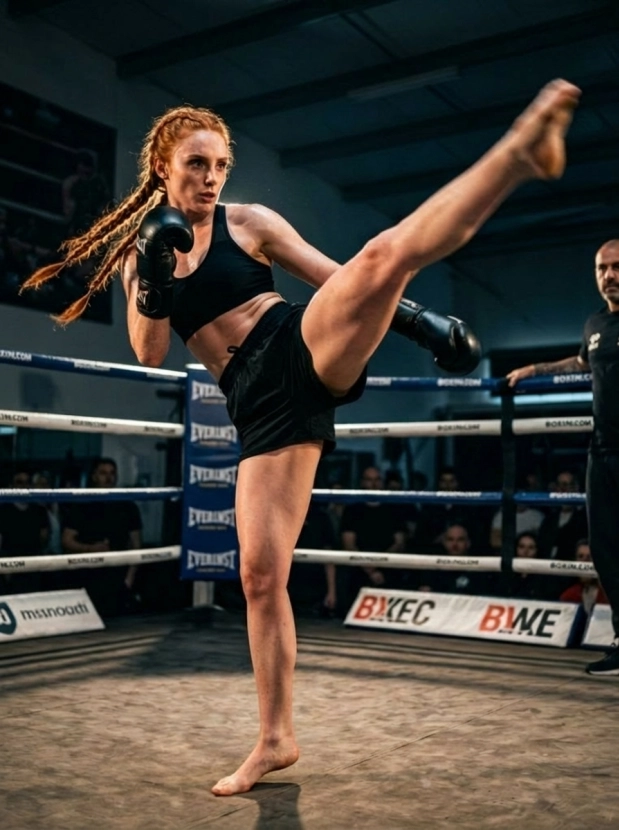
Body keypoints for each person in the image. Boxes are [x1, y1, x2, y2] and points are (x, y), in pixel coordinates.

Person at [23, 79, 580, 793]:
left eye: (220, 165)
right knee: (260, 575)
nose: (211, 178)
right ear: (162, 166)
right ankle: (276, 739)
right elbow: (150, 352)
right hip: (256, 406)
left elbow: (337, 275)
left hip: (295, 346)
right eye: (197, 164)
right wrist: (155, 274)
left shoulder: (249, 221)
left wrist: (418, 323)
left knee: (382, 256)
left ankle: (518, 153)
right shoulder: (143, 251)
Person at [507, 236, 619, 676]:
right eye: (602, 268)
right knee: (605, 548)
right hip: (602, 450)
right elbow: (581, 363)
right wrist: (535, 370)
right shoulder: (595, 324)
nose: (609, 275)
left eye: (617, 266)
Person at [61, 457, 143, 615]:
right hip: (86, 575)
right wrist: (90, 549)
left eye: (112, 473)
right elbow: (66, 540)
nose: (108, 477)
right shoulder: (82, 505)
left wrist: (129, 578)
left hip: (117, 576)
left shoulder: (128, 506)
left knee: (117, 622)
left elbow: (136, 545)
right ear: (94, 476)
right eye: (103, 473)